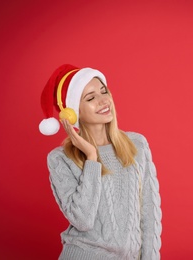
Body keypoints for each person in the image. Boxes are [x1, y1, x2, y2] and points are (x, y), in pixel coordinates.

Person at [38, 64, 162, 259]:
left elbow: (149, 214)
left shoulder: (137, 144)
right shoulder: (60, 159)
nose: (103, 101)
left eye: (104, 92)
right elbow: (83, 220)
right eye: (90, 98)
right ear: (73, 112)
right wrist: (91, 157)